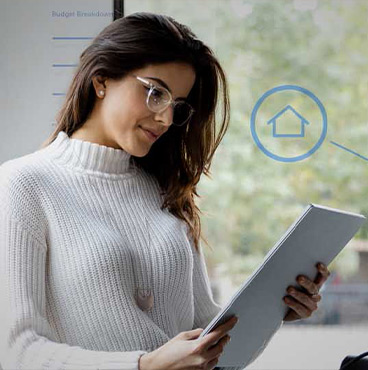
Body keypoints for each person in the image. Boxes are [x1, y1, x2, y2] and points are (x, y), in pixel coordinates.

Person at [0, 11, 330, 370]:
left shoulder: (166, 191)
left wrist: (274, 310)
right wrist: (144, 365)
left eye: (177, 106)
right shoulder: (23, 184)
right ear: (101, 80)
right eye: (155, 92)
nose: (166, 119)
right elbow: (18, 351)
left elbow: (206, 335)